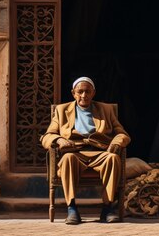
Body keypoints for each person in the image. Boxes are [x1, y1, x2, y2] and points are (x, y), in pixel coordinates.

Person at [41, 76, 131, 225]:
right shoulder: (62, 110)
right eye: (80, 92)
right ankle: (72, 208)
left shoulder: (106, 110)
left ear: (93, 93)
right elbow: (47, 136)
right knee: (68, 158)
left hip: (99, 153)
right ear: (73, 93)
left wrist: (116, 142)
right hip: (75, 153)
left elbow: (123, 134)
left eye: (87, 91)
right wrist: (59, 140)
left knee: (113, 159)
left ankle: (107, 208)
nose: (84, 95)